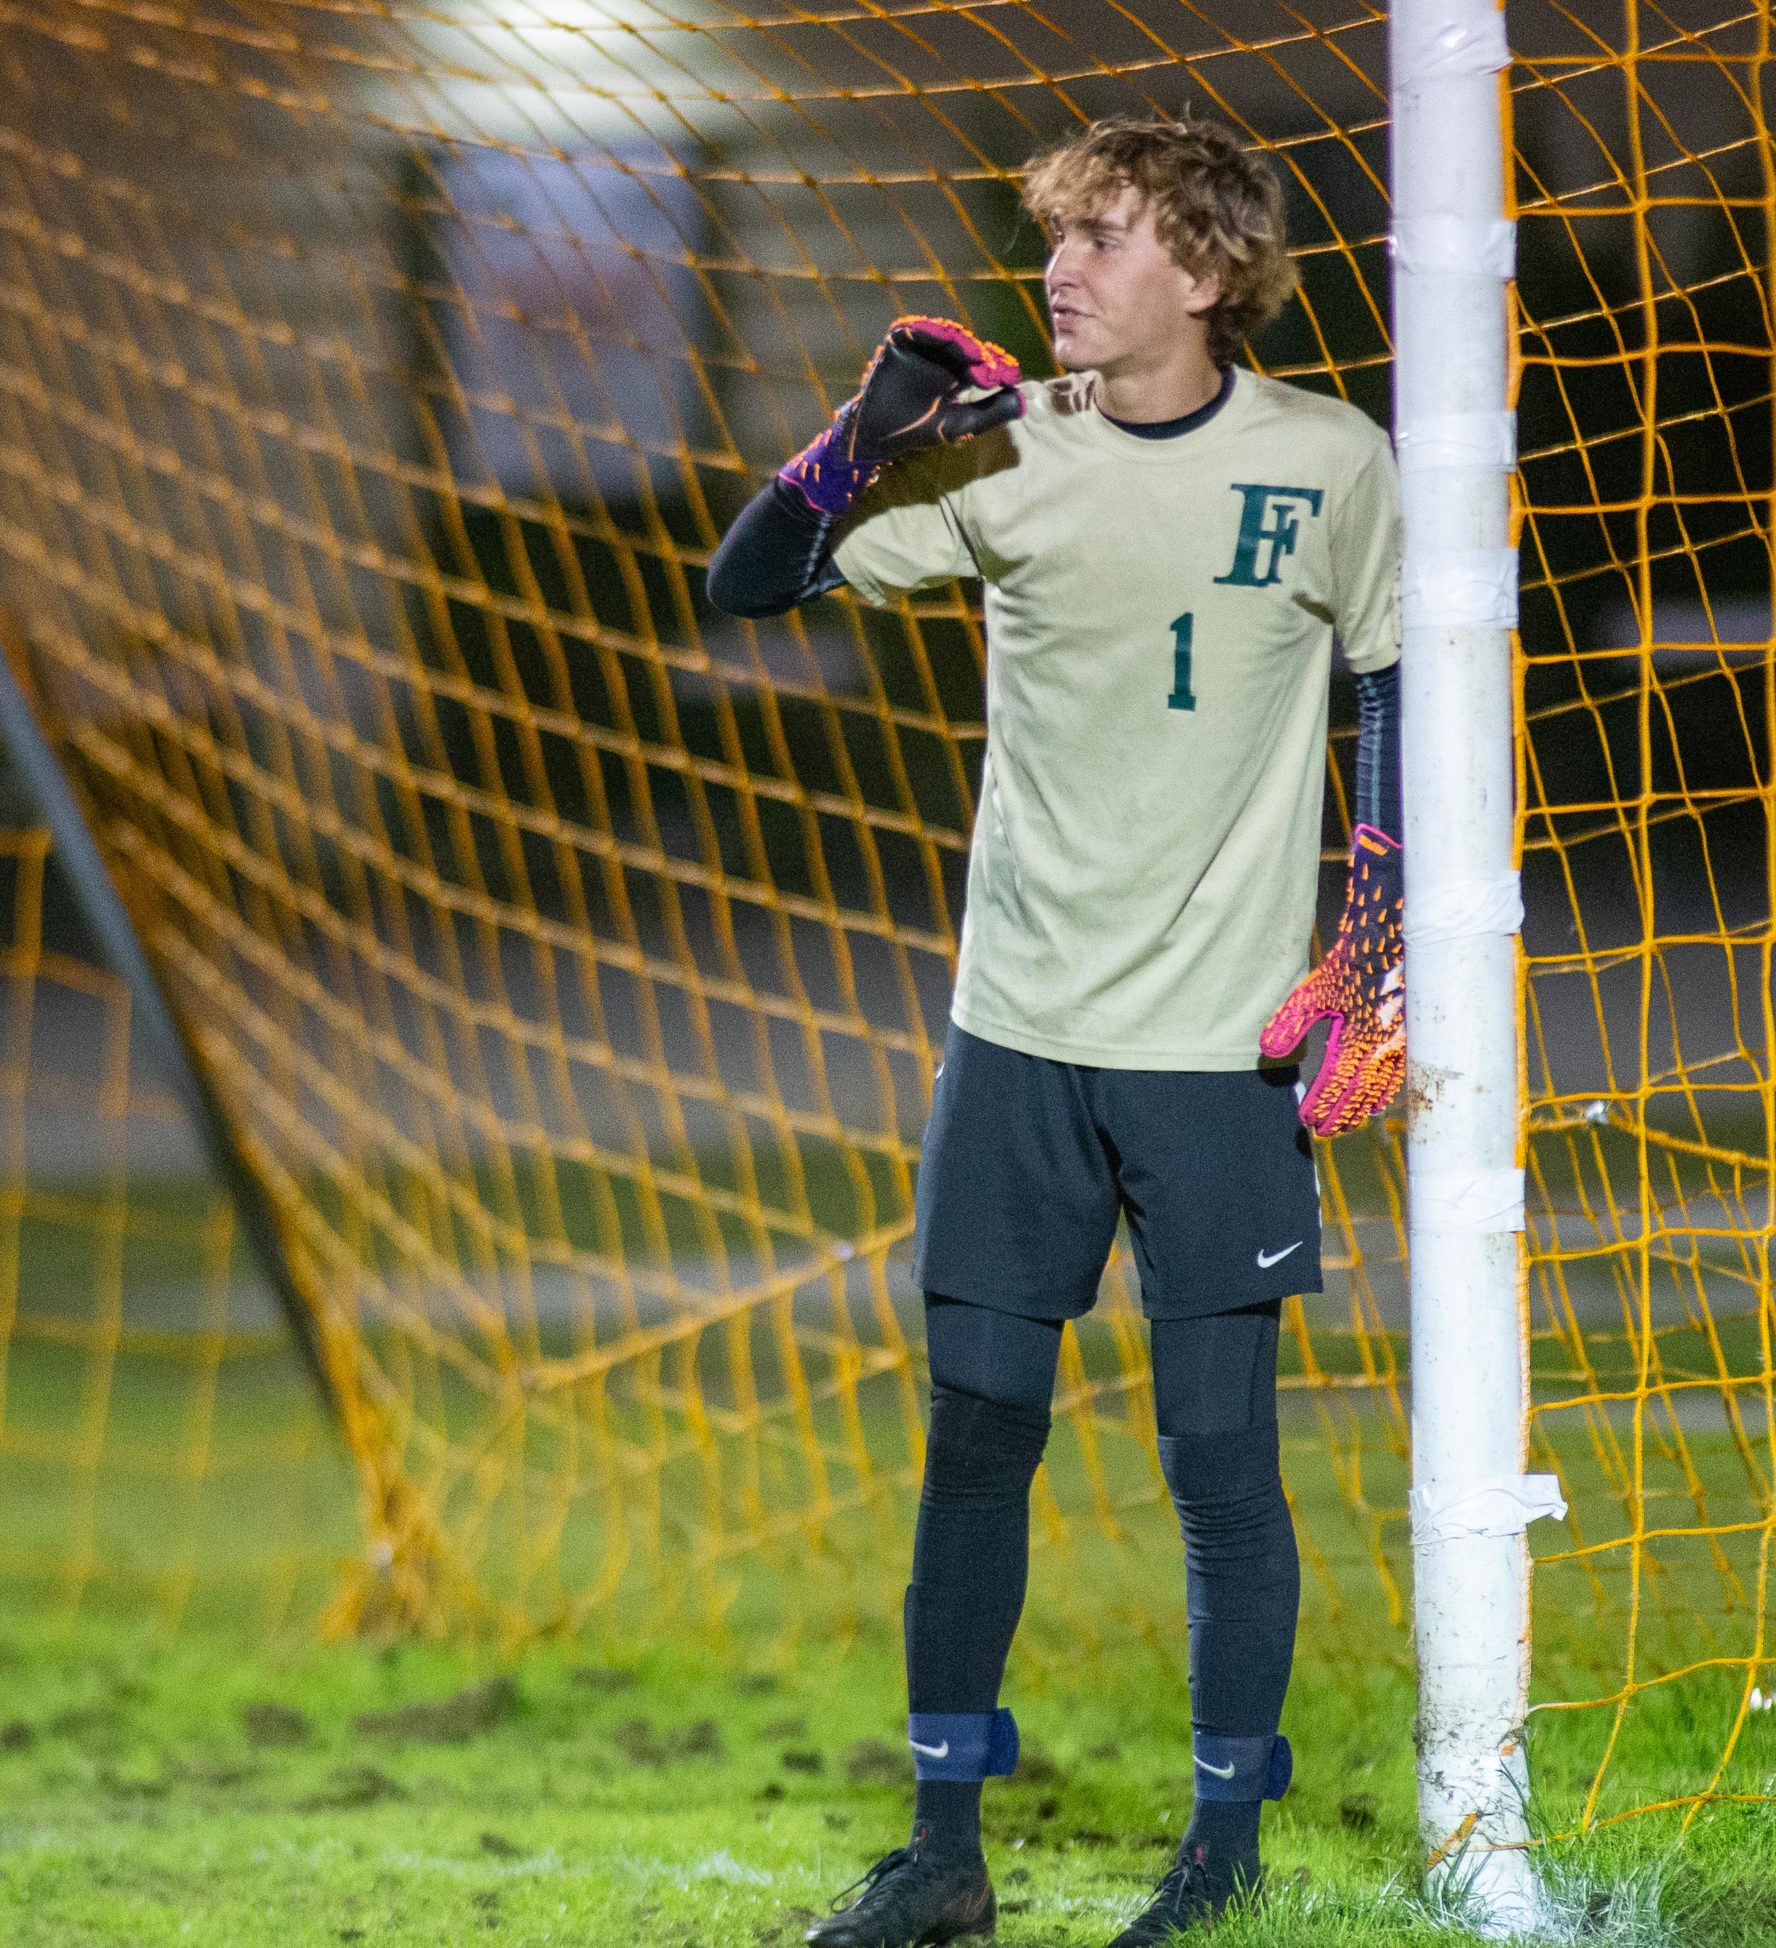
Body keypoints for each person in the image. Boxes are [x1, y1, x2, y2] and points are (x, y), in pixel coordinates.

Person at [706, 114, 1406, 1947]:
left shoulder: (1330, 461)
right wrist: (854, 440)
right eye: (1057, 238)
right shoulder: (1004, 456)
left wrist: (1376, 930)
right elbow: (747, 584)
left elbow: (1399, 671)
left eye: (1101, 239)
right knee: (979, 1429)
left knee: (1218, 1466)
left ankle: (1224, 1853)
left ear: (1205, 267)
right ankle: (943, 1854)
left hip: (1222, 1049)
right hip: (1014, 1033)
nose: (1059, 270)